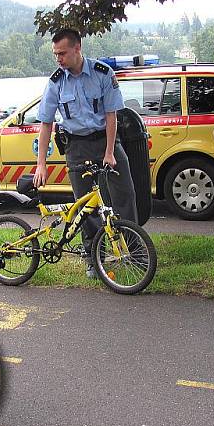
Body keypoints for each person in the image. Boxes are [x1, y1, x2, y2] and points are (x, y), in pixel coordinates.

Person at [32, 28, 137, 277]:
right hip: (76, 146)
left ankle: (134, 251)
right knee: (84, 204)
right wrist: (41, 164)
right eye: (55, 54)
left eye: (63, 53)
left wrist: (110, 152)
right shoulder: (56, 82)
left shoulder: (102, 74)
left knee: (125, 194)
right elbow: (46, 123)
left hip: (105, 140)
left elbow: (112, 115)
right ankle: (93, 256)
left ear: (77, 48)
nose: (58, 58)